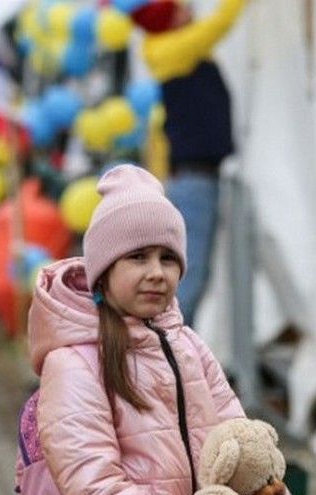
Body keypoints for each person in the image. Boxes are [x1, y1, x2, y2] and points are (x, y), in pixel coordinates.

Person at [28, 164, 297, 495]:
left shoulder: (189, 346)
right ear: (103, 269)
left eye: (169, 258)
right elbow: (95, 493)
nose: (157, 271)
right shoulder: (75, 361)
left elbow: (246, 449)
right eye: (137, 256)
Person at [135, 0, 247, 324]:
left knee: (192, 271)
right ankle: (169, 350)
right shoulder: (174, 51)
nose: (190, 11)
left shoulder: (169, 50)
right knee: (190, 273)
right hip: (195, 181)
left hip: (194, 179)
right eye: (179, 10)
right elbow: (220, 24)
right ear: (169, 22)